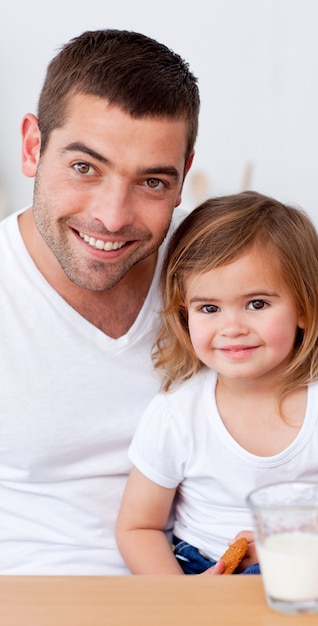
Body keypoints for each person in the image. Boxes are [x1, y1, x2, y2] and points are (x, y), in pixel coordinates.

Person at [116, 191, 318, 575]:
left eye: (257, 304)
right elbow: (138, 527)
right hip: (201, 572)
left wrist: (300, 552)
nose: (233, 328)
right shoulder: (176, 414)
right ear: (184, 314)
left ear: (306, 308)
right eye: (209, 308)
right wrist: (181, 596)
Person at [0, 29, 200, 575]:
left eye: (152, 182)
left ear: (183, 176)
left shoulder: (218, 274)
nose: (113, 218)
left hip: (205, 593)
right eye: (85, 167)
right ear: (32, 147)